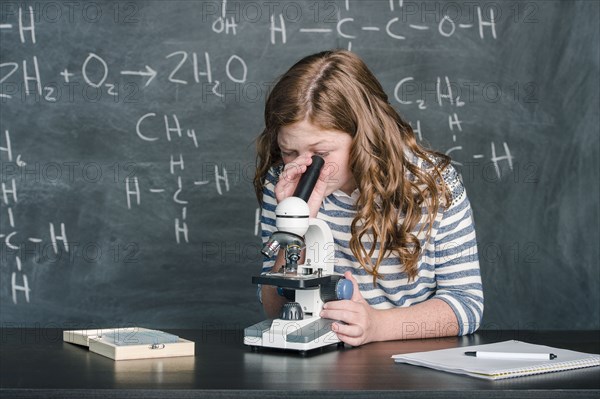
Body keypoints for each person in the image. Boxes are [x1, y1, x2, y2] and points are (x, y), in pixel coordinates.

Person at [253, 49, 483, 346]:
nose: (304, 166)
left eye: (321, 154)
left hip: (408, 360)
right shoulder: (284, 183)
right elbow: (274, 309)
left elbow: (466, 304)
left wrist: (377, 325)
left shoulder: (434, 184)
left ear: (363, 135)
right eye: (289, 151)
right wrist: (296, 226)